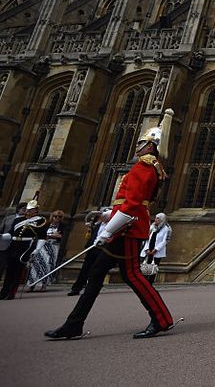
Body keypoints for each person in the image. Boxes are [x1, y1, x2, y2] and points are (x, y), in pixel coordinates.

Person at [44, 109, 176, 340]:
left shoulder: (145, 167)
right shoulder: (148, 167)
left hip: (127, 229)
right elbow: (127, 202)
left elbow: (133, 204)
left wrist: (108, 230)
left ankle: (162, 319)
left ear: (150, 146)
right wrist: (107, 216)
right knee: (96, 275)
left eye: (142, 143)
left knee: (133, 275)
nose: (138, 146)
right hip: (123, 225)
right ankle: (74, 324)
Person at [1, 201, 46, 299]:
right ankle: (4, 291)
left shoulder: (40, 221)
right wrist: (2, 236)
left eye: (32, 209)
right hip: (14, 244)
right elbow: (11, 233)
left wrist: (37, 249)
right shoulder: (18, 220)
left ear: (36, 210)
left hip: (26, 246)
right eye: (28, 209)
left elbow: (42, 236)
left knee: (18, 269)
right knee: (9, 269)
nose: (29, 211)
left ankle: (11, 292)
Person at [68, 210, 109, 296]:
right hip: (92, 249)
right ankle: (76, 288)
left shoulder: (111, 227)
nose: (102, 217)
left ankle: (91, 288)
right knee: (85, 269)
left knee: (97, 270)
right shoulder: (96, 225)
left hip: (102, 250)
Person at [28, 209, 66, 291]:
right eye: (55, 216)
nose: (57, 218)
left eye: (59, 217)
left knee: (49, 264)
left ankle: (44, 285)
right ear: (52, 217)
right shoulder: (46, 224)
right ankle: (32, 284)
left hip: (54, 247)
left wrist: (50, 235)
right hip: (43, 246)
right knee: (37, 263)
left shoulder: (62, 226)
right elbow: (42, 235)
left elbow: (60, 236)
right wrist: (53, 235)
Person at [0, 202, 28, 285]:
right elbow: (1, 229)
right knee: (1, 265)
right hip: (4, 244)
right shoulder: (8, 218)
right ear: (18, 209)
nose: (25, 210)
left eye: (26, 209)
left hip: (16, 246)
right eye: (23, 208)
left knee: (10, 267)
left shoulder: (27, 221)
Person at [140, 213, 172, 285]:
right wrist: (147, 249)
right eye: (156, 218)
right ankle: (143, 281)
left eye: (158, 218)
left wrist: (156, 249)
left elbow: (164, 241)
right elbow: (147, 238)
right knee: (146, 265)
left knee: (154, 266)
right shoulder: (152, 227)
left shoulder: (166, 229)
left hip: (157, 251)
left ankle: (150, 282)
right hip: (148, 249)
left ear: (162, 220)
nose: (156, 220)